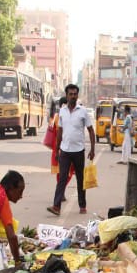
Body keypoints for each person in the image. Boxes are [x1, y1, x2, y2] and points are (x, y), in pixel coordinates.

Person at [47, 83, 95, 216]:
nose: (73, 96)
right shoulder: (62, 111)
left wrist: (92, 149)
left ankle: (82, 205)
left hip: (79, 151)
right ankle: (56, 206)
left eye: (75, 94)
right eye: (70, 94)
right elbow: (60, 132)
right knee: (62, 178)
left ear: (77, 95)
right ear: (66, 96)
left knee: (80, 179)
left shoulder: (83, 111)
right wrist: (57, 150)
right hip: (65, 151)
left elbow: (91, 131)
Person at [48, 97, 74, 197]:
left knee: (62, 171)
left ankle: (60, 190)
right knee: (68, 171)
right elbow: (59, 132)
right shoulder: (60, 117)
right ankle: (61, 190)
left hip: (59, 146)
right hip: (63, 146)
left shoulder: (56, 116)